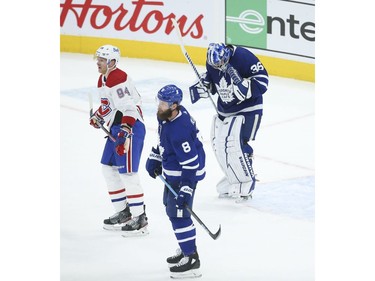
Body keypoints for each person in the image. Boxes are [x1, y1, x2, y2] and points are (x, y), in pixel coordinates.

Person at [189, 43, 269, 202]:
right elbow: (213, 80)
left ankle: (246, 179)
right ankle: (233, 177)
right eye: (215, 65)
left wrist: (244, 86)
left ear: (227, 55)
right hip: (225, 110)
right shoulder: (212, 61)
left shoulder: (243, 57)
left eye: (221, 63)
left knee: (236, 145)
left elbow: (263, 81)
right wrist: (206, 84)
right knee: (219, 145)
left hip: (249, 109)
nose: (218, 66)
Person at [145, 84, 206, 279]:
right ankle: (185, 246)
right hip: (175, 171)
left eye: (164, 104)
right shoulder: (166, 116)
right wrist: (156, 155)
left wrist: (186, 189)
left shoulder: (180, 130)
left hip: (185, 174)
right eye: (159, 102)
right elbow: (163, 139)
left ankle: (192, 259)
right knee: (170, 208)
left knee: (179, 215)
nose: (159, 107)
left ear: (175, 106)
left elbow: (191, 163)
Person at [89, 44, 148, 236]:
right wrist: (98, 116)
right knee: (108, 167)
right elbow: (108, 105)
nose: (98, 62)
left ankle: (140, 219)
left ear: (112, 62)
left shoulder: (118, 78)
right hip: (118, 126)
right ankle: (124, 212)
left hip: (131, 127)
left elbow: (129, 108)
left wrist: (125, 131)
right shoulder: (103, 79)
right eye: (98, 59)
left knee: (128, 173)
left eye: (102, 60)